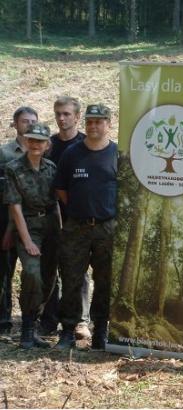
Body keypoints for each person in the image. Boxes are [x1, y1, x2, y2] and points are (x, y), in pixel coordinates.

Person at [54, 104, 117, 350]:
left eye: (98, 121)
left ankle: (100, 331)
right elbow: (61, 189)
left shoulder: (116, 154)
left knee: (105, 282)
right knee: (71, 280)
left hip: (106, 229)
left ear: (108, 124)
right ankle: (67, 331)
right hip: (76, 227)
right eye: (90, 121)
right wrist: (80, 210)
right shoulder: (72, 153)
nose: (93, 126)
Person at [3, 123, 60, 349]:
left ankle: (34, 324)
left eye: (40, 141)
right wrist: (27, 241)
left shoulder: (52, 168)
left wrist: (61, 230)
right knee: (32, 273)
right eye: (32, 140)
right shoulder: (13, 168)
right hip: (28, 225)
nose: (36, 144)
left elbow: (55, 204)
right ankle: (27, 329)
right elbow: (15, 208)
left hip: (51, 226)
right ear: (26, 141)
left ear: (47, 145)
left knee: (49, 277)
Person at [40, 96, 92, 340]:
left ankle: (81, 321)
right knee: (49, 268)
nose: (62, 118)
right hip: (50, 216)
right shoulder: (47, 145)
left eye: (67, 114)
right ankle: (49, 320)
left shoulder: (87, 144)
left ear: (77, 117)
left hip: (78, 217)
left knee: (78, 271)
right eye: (58, 113)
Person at [0, 106, 37, 335]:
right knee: (4, 268)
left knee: (34, 271)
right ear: (15, 124)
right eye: (25, 121)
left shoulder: (42, 150)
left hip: (34, 221)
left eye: (34, 120)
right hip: (5, 218)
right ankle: (4, 319)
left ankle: (33, 319)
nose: (29, 124)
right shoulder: (4, 153)